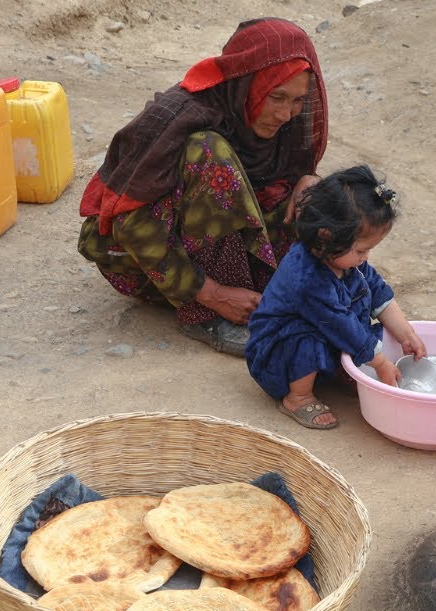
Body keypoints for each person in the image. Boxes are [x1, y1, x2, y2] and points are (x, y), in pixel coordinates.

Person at [77, 18, 327, 357]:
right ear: (245, 83)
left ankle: (248, 295)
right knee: (210, 153)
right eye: (276, 97)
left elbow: (282, 186)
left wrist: (307, 179)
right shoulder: (177, 117)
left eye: (297, 100)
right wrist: (213, 294)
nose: (286, 113)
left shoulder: (284, 126)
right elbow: (129, 226)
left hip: (218, 243)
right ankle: (204, 315)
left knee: (322, 203)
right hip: (144, 260)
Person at [245, 165, 427, 430]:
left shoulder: (345, 259)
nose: (366, 258)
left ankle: (340, 370)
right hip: (276, 359)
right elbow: (340, 324)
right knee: (307, 338)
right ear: (325, 235)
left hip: (330, 332)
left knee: (375, 332)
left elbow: (377, 292)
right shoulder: (307, 277)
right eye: (362, 250)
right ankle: (298, 397)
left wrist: (406, 333)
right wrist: (381, 363)